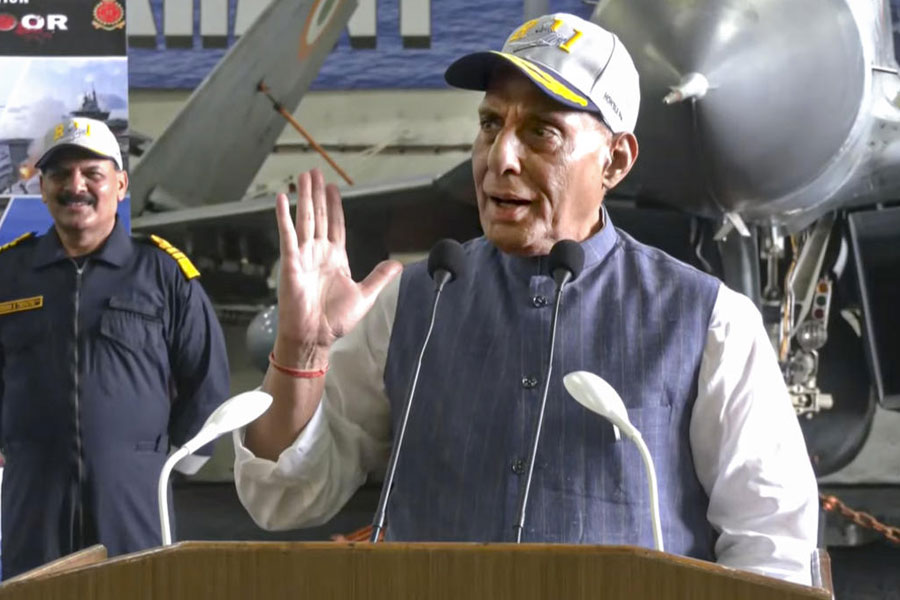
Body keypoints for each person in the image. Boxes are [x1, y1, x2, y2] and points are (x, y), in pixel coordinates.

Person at [233, 13, 818, 584]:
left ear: (615, 161)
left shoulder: (710, 322)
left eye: (541, 131)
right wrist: (301, 352)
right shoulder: (412, 305)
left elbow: (772, 547)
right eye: (490, 124)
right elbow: (284, 499)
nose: (501, 157)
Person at [0, 117, 230, 578]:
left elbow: (206, 374)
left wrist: (169, 462)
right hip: (32, 496)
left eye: (92, 174)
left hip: (134, 495)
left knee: (134, 588)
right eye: (60, 175)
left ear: (120, 185)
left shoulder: (163, 274)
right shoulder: (10, 272)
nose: (75, 186)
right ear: (42, 189)